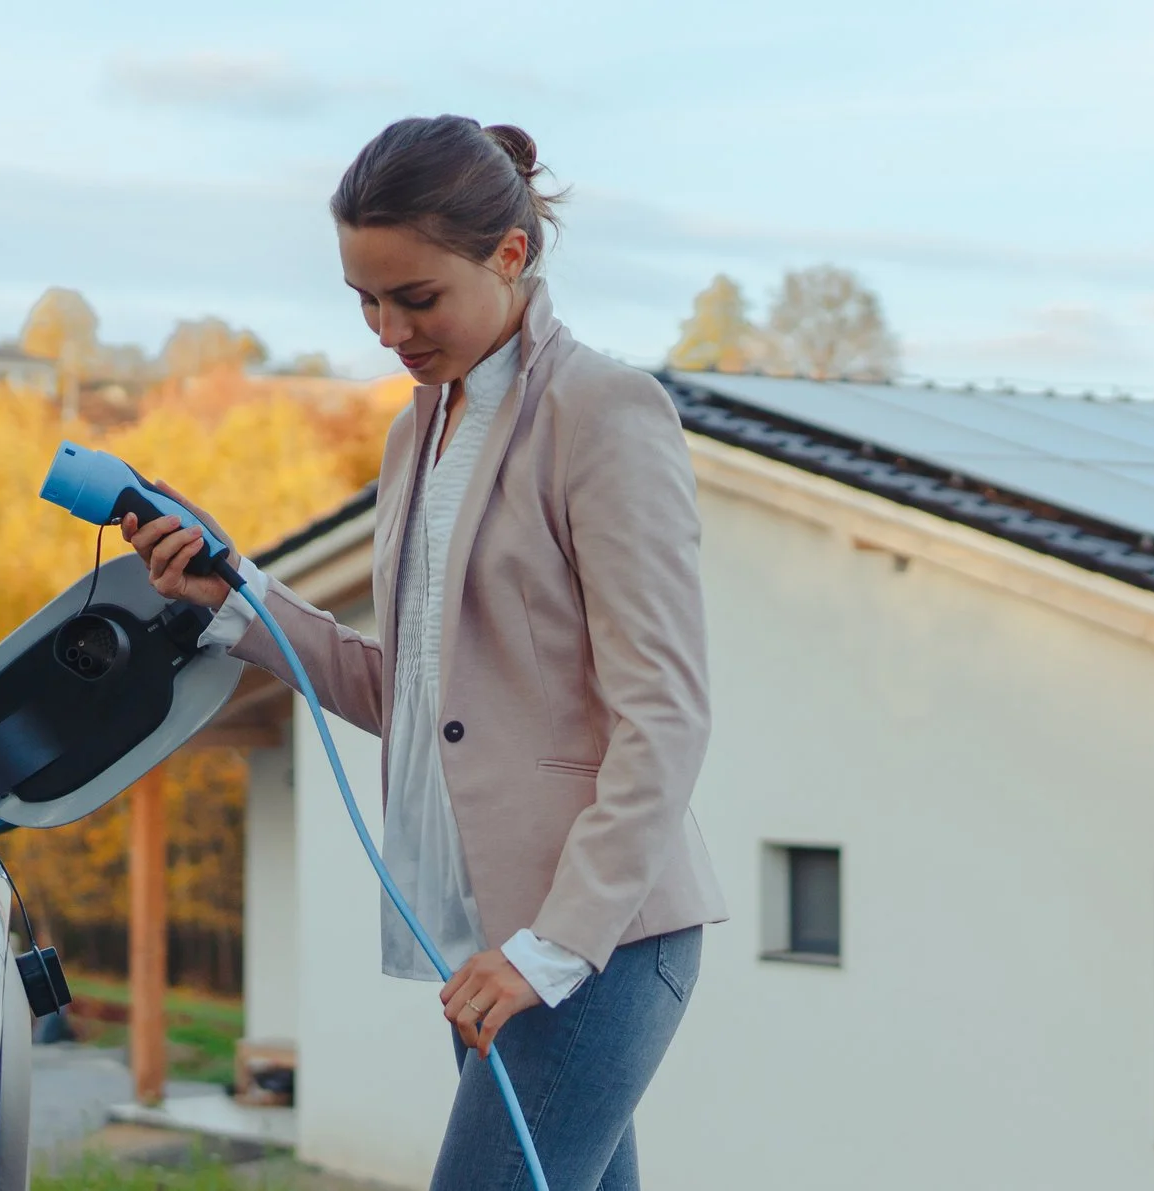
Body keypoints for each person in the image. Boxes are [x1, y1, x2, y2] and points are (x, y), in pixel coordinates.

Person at [121, 114, 725, 1191]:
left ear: (510, 255)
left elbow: (665, 715)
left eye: (416, 298)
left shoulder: (603, 412)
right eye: (366, 300)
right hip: (488, 939)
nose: (389, 331)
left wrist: (555, 948)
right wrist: (235, 590)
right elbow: (407, 692)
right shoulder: (419, 431)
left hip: (594, 943)